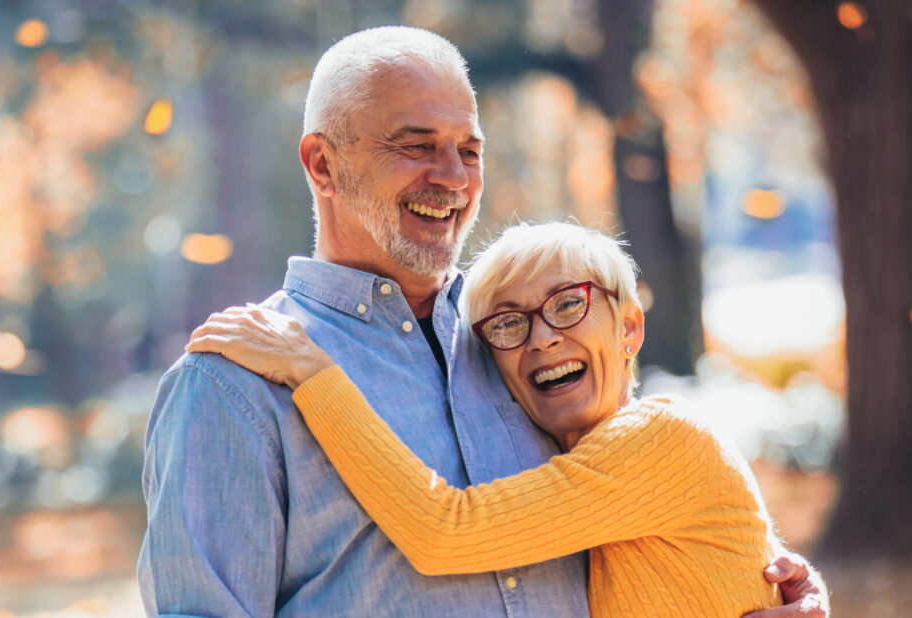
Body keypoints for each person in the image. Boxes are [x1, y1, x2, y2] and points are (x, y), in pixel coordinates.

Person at [138, 26, 828, 616]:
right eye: (416, 146)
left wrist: (760, 581)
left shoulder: (522, 346)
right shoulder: (234, 384)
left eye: (469, 150)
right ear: (323, 163)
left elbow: (648, 519)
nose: (454, 177)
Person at [187, 221, 790, 615]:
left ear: (629, 326)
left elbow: (444, 531)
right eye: (508, 323)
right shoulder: (570, 462)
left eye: (568, 304)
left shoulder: (664, 439)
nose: (543, 338)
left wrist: (313, 373)